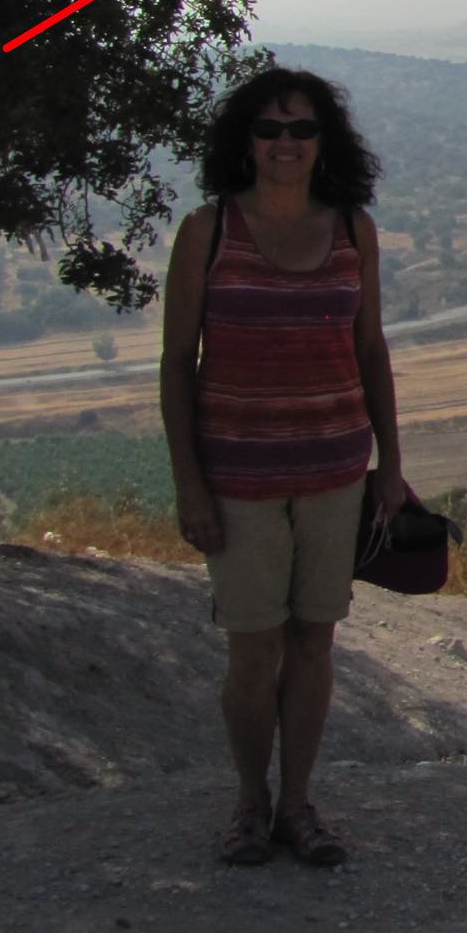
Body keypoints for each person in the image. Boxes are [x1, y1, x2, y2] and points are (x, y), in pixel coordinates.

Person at [159, 67, 408, 866]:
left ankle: (298, 805)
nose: (285, 143)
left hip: (334, 471)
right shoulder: (208, 232)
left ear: (324, 140)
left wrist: (391, 464)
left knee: (313, 646)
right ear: (246, 140)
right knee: (252, 652)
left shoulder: (353, 231)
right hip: (238, 479)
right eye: (269, 129)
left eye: (301, 129)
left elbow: (370, 348)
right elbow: (177, 362)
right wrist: (189, 484)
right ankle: (249, 803)